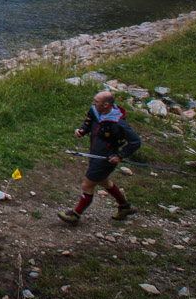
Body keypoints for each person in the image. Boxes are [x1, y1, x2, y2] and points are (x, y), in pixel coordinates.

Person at [59, 90, 141, 224]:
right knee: (104, 182)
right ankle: (125, 207)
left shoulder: (118, 123)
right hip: (94, 154)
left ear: (106, 105)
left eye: (97, 101)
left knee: (87, 185)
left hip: (106, 159)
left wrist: (120, 155)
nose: (94, 103)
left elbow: (135, 141)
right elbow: (89, 122)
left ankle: (75, 214)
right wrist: (83, 130)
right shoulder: (95, 111)